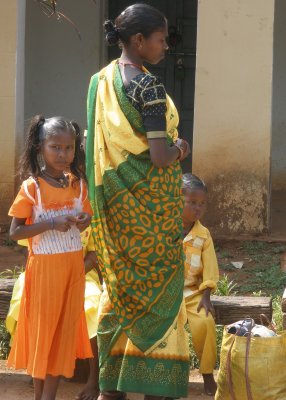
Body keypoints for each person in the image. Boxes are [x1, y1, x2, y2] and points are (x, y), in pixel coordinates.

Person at [85, 4, 191, 400]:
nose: (166, 46)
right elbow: (160, 156)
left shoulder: (101, 80)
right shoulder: (148, 86)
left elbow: (98, 150)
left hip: (116, 211)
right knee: (159, 289)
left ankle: (111, 387)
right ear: (139, 40)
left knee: (119, 287)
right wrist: (180, 147)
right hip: (154, 212)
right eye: (161, 39)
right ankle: (155, 386)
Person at [7, 115, 93, 400]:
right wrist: (50, 224)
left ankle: (47, 397)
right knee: (45, 334)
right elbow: (15, 232)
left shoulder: (77, 185)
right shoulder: (31, 188)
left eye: (69, 148)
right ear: (40, 147)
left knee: (61, 334)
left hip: (72, 270)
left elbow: (88, 216)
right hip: (44, 272)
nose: (63, 154)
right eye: (55, 147)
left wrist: (83, 220)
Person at [6, 227, 103, 400]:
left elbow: (94, 256)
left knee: (90, 304)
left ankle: (93, 380)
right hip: (41, 272)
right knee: (24, 301)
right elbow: (27, 247)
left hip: (81, 274)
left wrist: (72, 273)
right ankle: (37, 369)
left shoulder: (88, 212)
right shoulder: (39, 209)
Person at [182, 173, 219, 396]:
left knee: (205, 323)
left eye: (202, 203)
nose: (198, 208)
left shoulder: (203, 235)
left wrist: (206, 295)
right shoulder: (165, 229)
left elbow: (210, 268)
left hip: (193, 293)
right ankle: (170, 373)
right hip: (164, 292)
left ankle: (207, 374)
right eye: (192, 203)